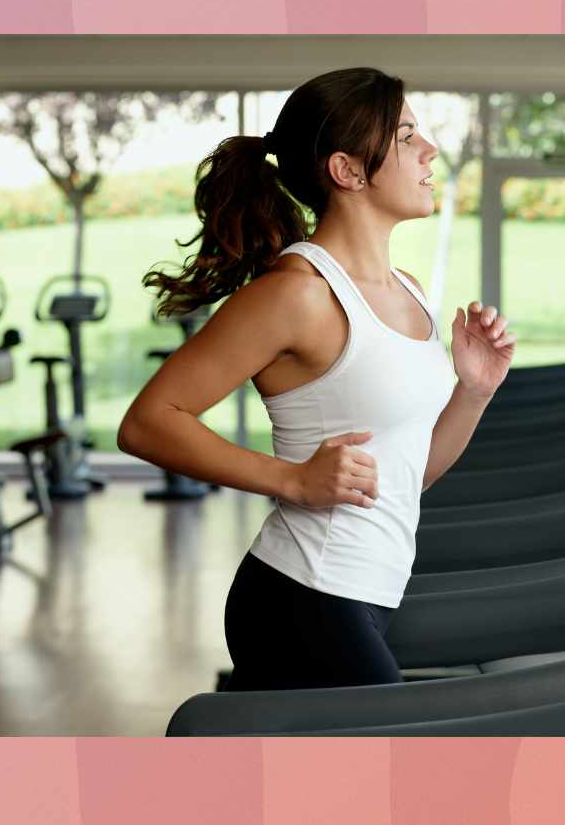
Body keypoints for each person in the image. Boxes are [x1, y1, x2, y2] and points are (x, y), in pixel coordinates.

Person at [118, 67, 514, 691]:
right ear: (348, 170)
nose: (429, 150)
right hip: (305, 595)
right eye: (407, 134)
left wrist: (475, 390)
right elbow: (146, 423)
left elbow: (411, 475)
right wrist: (292, 480)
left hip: (369, 594)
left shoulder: (407, 291)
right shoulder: (296, 294)